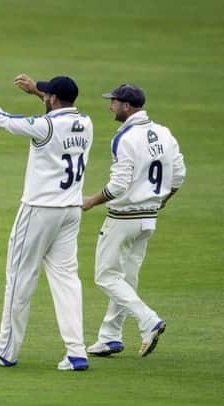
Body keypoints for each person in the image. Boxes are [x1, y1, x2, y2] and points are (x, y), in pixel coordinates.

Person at [0, 74, 93, 371]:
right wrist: (37, 93)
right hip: (70, 210)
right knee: (67, 280)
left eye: (46, 94)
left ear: (53, 99)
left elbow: (0, 119)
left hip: (39, 210)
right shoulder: (87, 123)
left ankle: (6, 348)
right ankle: (76, 351)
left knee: (20, 276)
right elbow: (56, 118)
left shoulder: (46, 126)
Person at [83, 83, 186, 357]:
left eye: (113, 102)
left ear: (127, 106)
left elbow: (118, 186)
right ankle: (110, 336)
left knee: (106, 277)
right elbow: (179, 174)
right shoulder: (164, 133)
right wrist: (162, 200)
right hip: (149, 218)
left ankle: (148, 320)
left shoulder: (125, 138)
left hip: (124, 217)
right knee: (126, 278)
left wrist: (91, 201)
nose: (110, 106)